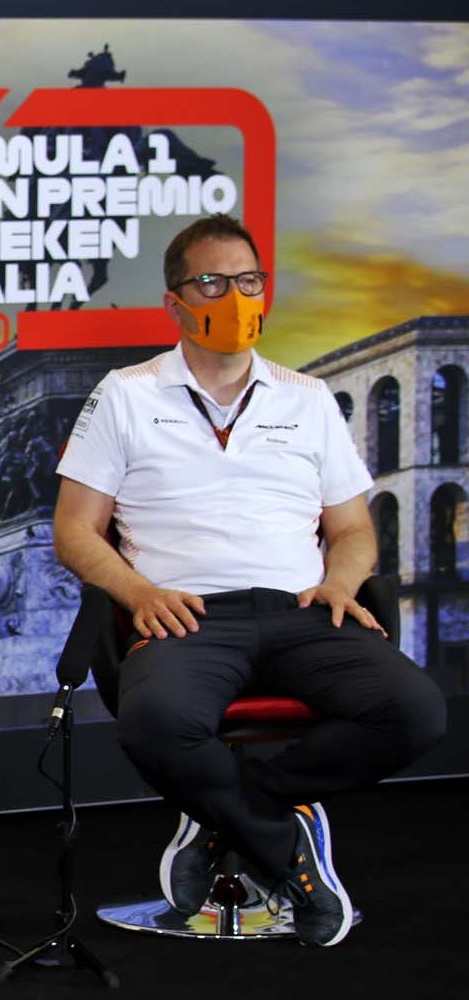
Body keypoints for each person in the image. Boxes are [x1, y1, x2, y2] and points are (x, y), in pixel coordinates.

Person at [54, 214, 445, 946]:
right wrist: (139, 594)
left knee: (417, 713)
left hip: (302, 608)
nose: (232, 297)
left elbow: (354, 528)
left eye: (247, 281)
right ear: (174, 302)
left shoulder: (306, 398)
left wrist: (342, 582)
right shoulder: (125, 395)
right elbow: (74, 529)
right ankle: (289, 852)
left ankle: (228, 815)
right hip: (187, 613)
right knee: (155, 724)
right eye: (210, 281)